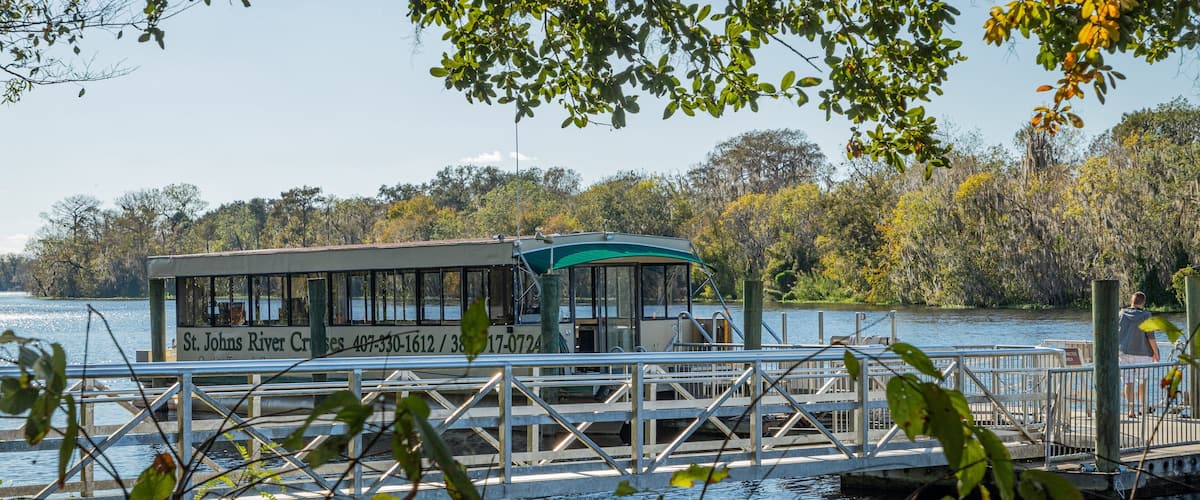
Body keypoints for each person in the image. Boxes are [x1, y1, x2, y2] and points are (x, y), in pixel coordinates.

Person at [1117, 291, 1159, 418]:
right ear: (1143, 303)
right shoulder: (1147, 315)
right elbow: (1150, 336)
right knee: (1142, 382)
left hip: (1124, 353)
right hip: (1143, 354)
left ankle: (1130, 409)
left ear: (1131, 301)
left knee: (1128, 382)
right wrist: (1156, 352)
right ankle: (1143, 406)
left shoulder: (1122, 313)